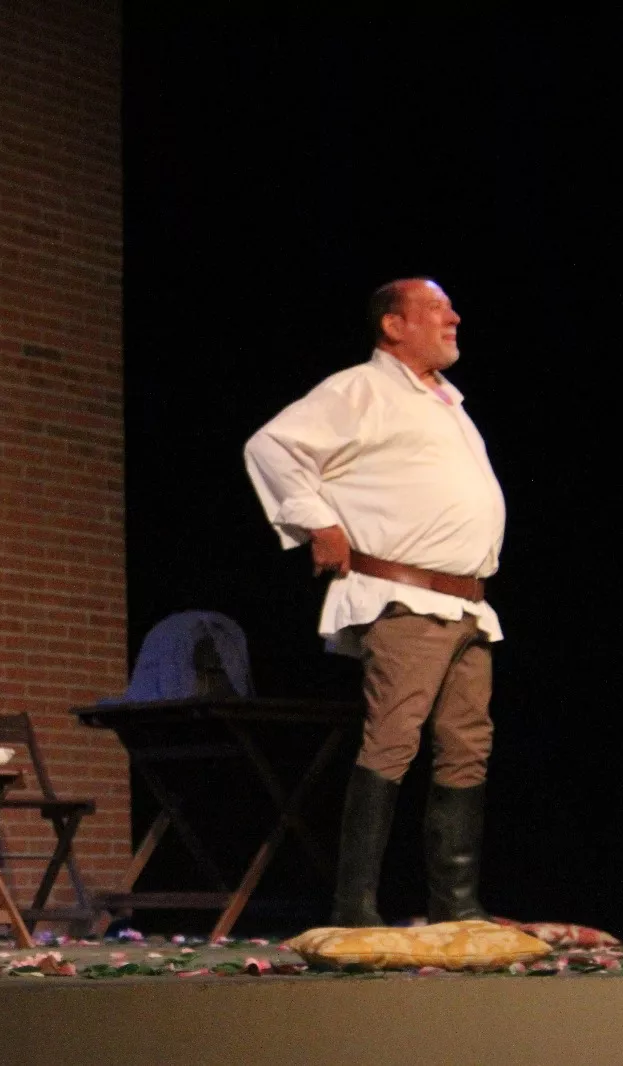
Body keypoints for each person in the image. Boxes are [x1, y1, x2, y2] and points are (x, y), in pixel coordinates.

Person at [244, 278, 505, 927]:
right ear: (394, 325)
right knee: (393, 741)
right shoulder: (362, 389)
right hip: (405, 597)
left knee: (467, 745)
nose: (455, 318)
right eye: (439, 310)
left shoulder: (445, 400)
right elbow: (272, 446)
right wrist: (319, 523)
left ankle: (456, 905)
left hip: (466, 605)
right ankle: (355, 906)